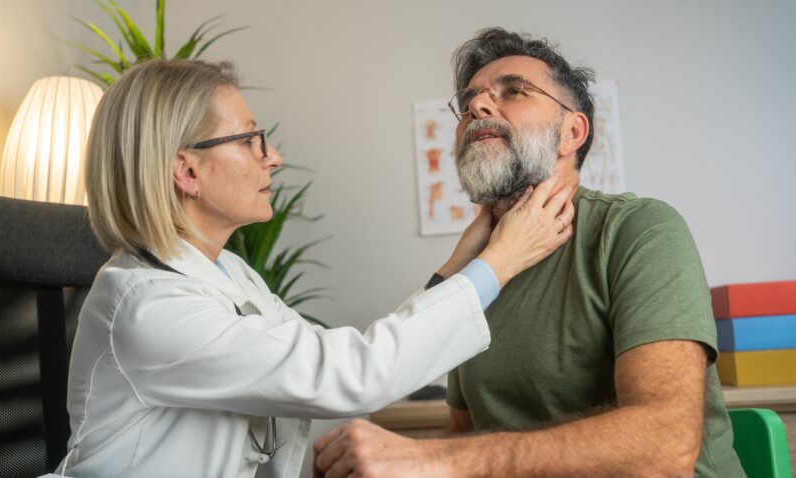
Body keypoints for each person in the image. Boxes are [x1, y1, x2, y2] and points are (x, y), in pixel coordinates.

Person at [56, 58, 576, 478]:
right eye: (250, 139)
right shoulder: (148, 307)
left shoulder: (230, 274)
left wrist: (455, 268)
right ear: (187, 171)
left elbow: (331, 361)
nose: (273, 156)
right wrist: (498, 262)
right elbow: (347, 376)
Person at [313, 28, 745, 477]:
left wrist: (431, 457)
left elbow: (664, 446)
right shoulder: (476, 278)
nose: (477, 107)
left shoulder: (639, 231)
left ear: (571, 132)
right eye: (468, 103)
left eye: (514, 91)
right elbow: (468, 439)